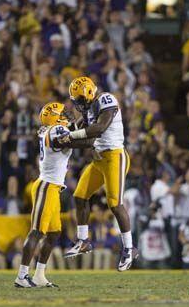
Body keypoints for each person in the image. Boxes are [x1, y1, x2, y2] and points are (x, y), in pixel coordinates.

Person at [14, 102, 92, 287]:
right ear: (55, 118)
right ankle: (21, 276)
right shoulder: (55, 131)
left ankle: (39, 275)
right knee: (37, 232)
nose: (66, 114)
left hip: (54, 188)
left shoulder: (52, 129)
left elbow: (74, 129)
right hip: (45, 186)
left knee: (54, 233)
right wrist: (95, 134)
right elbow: (80, 141)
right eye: (62, 113)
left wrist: (86, 113)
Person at [63, 76, 136, 272]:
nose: (77, 103)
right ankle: (83, 240)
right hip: (98, 159)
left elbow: (98, 129)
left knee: (115, 204)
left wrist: (69, 137)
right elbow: (82, 134)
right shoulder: (87, 109)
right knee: (79, 197)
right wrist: (59, 132)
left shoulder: (106, 100)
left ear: (88, 93)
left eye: (78, 99)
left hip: (115, 158)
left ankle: (129, 248)